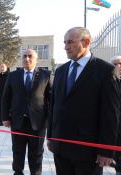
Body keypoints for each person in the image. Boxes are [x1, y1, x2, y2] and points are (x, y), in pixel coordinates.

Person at [47, 27, 120, 175]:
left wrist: (106, 150)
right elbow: (54, 107)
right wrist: (50, 136)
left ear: (86, 42)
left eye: (70, 42)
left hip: (88, 152)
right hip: (61, 147)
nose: (66, 47)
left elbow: (110, 114)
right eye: (64, 42)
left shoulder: (105, 71)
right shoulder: (61, 71)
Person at [1, 49, 51, 175]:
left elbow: (51, 99)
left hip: (38, 123)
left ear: (36, 59)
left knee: (37, 153)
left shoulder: (46, 75)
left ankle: (35, 173)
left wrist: (50, 120)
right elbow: (6, 97)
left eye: (30, 56)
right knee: (18, 151)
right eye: (24, 56)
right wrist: (5, 117)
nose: (27, 59)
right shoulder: (13, 75)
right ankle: (18, 172)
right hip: (18, 121)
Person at [111, 55, 121, 175]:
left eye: (119, 63)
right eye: (115, 64)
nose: (118, 66)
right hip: (114, 126)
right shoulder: (109, 80)